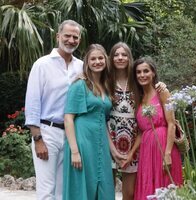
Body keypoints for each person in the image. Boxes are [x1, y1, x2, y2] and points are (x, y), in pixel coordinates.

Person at [25, 20, 83, 200]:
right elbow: (33, 102)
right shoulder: (42, 64)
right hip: (47, 132)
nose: (71, 40)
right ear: (58, 36)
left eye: (75, 37)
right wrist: (38, 139)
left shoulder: (81, 66)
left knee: (62, 190)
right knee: (46, 191)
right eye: (67, 36)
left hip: (71, 134)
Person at [107, 42, 167, 200]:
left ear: (129, 58)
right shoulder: (106, 81)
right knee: (106, 190)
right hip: (109, 141)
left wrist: (161, 85)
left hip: (133, 143)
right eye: (116, 54)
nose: (120, 58)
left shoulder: (136, 82)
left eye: (124, 54)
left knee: (130, 193)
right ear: (111, 58)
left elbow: (152, 91)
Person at [63, 44, 116, 200]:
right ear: (87, 62)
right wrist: (74, 151)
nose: (97, 61)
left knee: (104, 185)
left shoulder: (106, 86)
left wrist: (113, 150)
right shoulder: (80, 85)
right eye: (93, 59)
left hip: (100, 143)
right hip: (82, 142)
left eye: (100, 58)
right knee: (82, 187)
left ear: (106, 60)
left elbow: (103, 120)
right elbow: (68, 118)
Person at [132, 57, 183, 200]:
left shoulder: (162, 92)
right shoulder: (139, 98)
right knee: (149, 188)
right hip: (147, 151)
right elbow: (141, 131)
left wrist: (167, 153)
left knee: (166, 188)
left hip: (164, 147)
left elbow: (171, 123)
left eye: (146, 71)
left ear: (153, 73)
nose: (142, 75)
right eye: (138, 72)